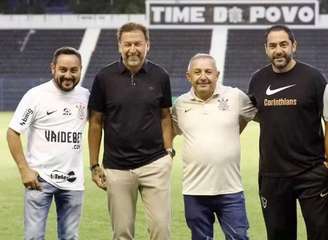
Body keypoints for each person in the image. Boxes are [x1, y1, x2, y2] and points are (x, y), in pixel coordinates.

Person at [88, 22, 173, 240]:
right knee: (122, 233)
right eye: (127, 44)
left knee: (161, 230)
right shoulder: (103, 78)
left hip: (155, 164)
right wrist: (94, 165)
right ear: (119, 46)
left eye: (138, 43)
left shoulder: (160, 76)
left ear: (147, 45)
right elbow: (95, 122)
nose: (132, 49)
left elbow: (165, 116)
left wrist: (168, 151)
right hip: (117, 168)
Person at [248, 25, 328, 240]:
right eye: (273, 45)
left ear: (294, 45)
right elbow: (255, 114)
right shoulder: (257, 80)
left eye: (283, 44)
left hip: (311, 172)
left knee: (321, 234)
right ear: (266, 49)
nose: (278, 50)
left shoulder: (314, 78)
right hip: (272, 175)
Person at [7, 46, 89, 239]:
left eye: (73, 70)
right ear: (53, 68)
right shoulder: (35, 95)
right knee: (34, 237)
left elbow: (99, 126)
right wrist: (24, 169)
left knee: (70, 237)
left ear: (80, 69)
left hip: (72, 182)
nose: (68, 75)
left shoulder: (86, 96)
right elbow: (13, 132)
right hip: (39, 180)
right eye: (63, 69)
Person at [172, 53, 256, 240]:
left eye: (208, 71)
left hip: (230, 190)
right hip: (194, 191)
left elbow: (259, 116)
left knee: (239, 238)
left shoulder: (235, 96)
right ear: (188, 76)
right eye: (197, 72)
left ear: (217, 74)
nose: (203, 76)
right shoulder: (179, 105)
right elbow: (168, 134)